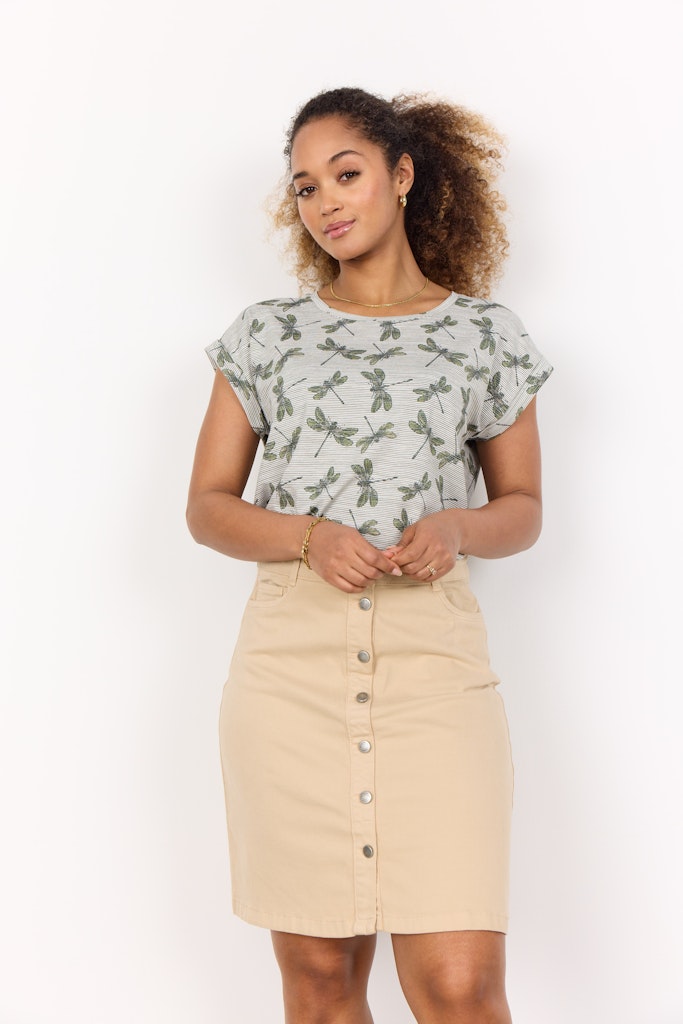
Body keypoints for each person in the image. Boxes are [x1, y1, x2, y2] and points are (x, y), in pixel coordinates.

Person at [187, 86, 552, 1024]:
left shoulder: (484, 335)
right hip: (289, 670)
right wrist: (308, 538)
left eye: (344, 174)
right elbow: (208, 509)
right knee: (319, 981)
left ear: (401, 175)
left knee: (460, 987)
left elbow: (521, 509)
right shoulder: (266, 335)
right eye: (305, 188)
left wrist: (458, 527)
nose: (325, 202)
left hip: (433, 668)